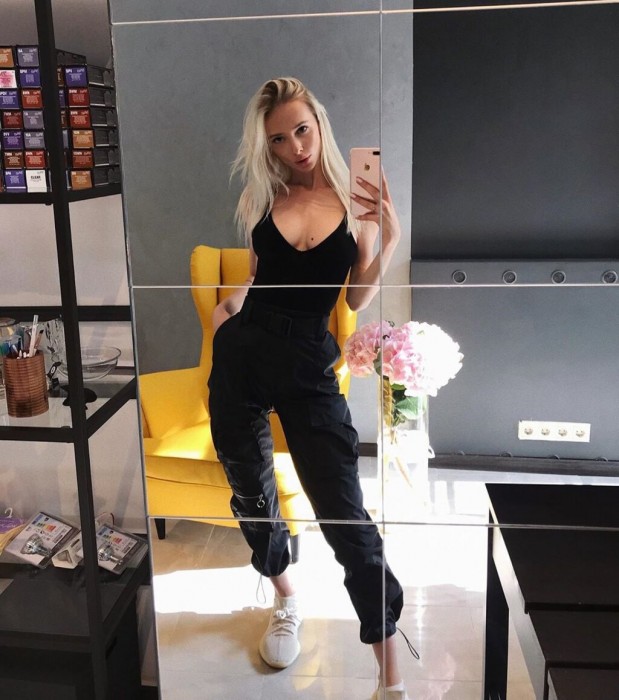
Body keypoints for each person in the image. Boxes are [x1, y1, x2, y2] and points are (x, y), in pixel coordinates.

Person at [208, 77, 409, 700]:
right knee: (250, 490)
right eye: (278, 138)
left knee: (344, 512)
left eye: (301, 130)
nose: (294, 146)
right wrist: (225, 312)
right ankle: (285, 596)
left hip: (308, 362)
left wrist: (390, 237)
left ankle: (390, 676)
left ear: (319, 124)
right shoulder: (263, 197)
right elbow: (258, 277)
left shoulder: (356, 202)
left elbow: (356, 297)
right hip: (244, 353)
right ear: (265, 145)